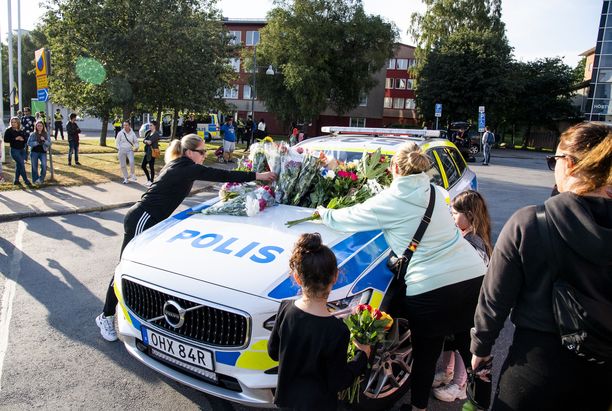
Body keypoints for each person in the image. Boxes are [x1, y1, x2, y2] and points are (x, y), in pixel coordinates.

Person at [315, 142, 487, 411]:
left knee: (426, 356)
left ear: (394, 167)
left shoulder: (389, 201)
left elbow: (344, 218)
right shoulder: (436, 192)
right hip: (473, 276)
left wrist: (322, 211)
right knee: (470, 348)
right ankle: (482, 403)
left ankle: (418, 408)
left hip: (431, 287)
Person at [470, 122, 612, 411]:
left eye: (554, 161)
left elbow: (493, 302)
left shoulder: (530, 222)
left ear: (569, 165)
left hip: (532, 373)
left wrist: (480, 350)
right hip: (600, 376)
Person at [95, 133, 277, 341]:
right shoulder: (184, 167)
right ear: (190, 152)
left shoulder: (181, 166)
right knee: (124, 267)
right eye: (202, 152)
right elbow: (219, 175)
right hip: (143, 218)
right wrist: (258, 176)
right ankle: (106, 316)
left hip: (153, 221)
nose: (204, 155)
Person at [267, 233, 371, 410]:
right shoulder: (337, 331)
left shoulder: (286, 309)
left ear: (297, 278)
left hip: (287, 401)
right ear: (336, 277)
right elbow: (338, 381)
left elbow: (273, 352)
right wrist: (362, 356)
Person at [432, 190, 492, 402]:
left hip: (468, 304)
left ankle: (459, 383)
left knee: (462, 344)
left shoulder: (474, 243)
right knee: (450, 339)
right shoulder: (465, 235)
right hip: (457, 301)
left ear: (470, 215)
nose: (452, 218)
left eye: (455, 213)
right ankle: (447, 371)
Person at [4, 117, 32, 187]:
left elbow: (26, 139)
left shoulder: (21, 130)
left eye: (15, 122)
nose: (13, 123)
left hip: (22, 150)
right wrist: (15, 138)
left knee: (19, 165)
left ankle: (16, 180)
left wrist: (23, 139)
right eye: (12, 122)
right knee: (21, 164)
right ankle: (26, 180)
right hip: (14, 150)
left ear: (18, 123)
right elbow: (6, 140)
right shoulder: (8, 130)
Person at [27, 120, 52, 185]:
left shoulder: (46, 134)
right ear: (36, 126)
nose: (39, 127)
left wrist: (44, 140)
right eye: (38, 126)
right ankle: (35, 180)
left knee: (44, 166)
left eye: (41, 126)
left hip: (43, 152)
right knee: (34, 167)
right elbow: (28, 143)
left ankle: (41, 179)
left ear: (43, 126)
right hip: (34, 152)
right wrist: (37, 142)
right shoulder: (33, 134)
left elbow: (49, 143)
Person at [141, 120, 161, 186]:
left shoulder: (156, 134)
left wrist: (147, 141)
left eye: (151, 125)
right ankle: (149, 179)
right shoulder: (149, 132)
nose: (150, 126)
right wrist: (147, 141)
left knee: (151, 166)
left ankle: (151, 181)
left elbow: (150, 142)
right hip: (147, 151)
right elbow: (144, 141)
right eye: (149, 125)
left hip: (152, 152)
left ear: (154, 126)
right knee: (143, 165)